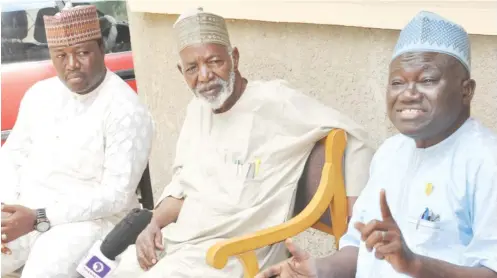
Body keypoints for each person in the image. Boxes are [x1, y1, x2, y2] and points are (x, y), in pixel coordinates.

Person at [110, 7, 375, 278]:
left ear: (234, 58)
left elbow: (356, 137)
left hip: (235, 254)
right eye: (192, 68)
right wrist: (153, 224)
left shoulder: (276, 102)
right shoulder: (197, 109)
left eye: (214, 61)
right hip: (182, 242)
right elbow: (182, 186)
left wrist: (354, 224)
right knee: (117, 268)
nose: (204, 76)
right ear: (182, 72)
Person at [256, 10, 497, 278]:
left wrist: (415, 265)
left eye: (427, 80)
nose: (408, 94)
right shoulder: (391, 152)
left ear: (467, 90)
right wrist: (317, 269)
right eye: (397, 82)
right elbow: (357, 250)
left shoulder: (487, 162)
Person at [0, 3, 154, 278]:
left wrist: (39, 217)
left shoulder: (125, 109)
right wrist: (7, 209)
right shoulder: (40, 94)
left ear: (101, 49)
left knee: (43, 272)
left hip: (90, 223)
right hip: (27, 213)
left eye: (82, 53)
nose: (71, 64)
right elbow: (13, 155)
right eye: (61, 55)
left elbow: (115, 197)